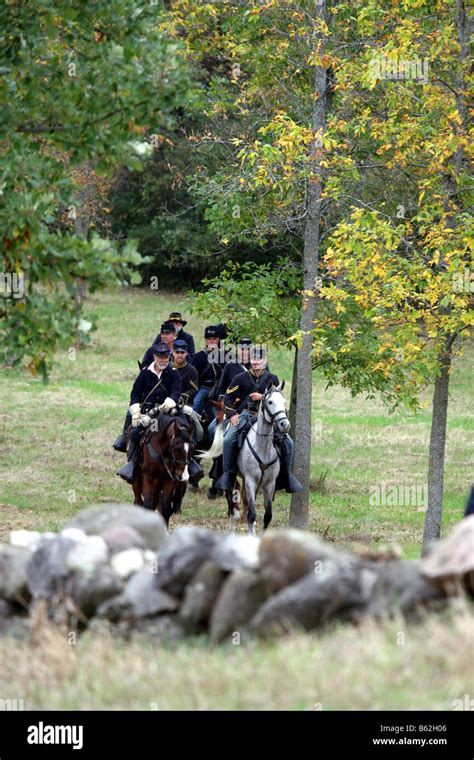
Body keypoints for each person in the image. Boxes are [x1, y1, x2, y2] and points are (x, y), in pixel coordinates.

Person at [213, 346, 302, 494]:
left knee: (288, 442)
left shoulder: (272, 378)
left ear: (264, 361)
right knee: (228, 439)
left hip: (267, 418)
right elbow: (228, 398)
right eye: (253, 359)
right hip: (246, 414)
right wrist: (232, 414)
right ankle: (228, 474)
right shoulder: (240, 378)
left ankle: (286, 475)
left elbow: (277, 397)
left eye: (259, 359)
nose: (255, 362)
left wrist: (262, 397)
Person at [116, 342, 181, 484]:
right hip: (146, 413)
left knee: (183, 432)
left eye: (166, 357)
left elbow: (176, 391)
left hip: (167, 412)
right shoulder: (144, 374)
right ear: (154, 357)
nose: (163, 360)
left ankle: (186, 465)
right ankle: (132, 464)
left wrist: (169, 402)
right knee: (134, 432)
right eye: (160, 357)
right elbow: (135, 395)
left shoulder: (173, 373)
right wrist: (136, 413)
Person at [191, 326, 225, 415]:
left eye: (214, 338)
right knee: (196, 404)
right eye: (209, 339)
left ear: (218, 339)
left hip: (221, 389)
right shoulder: (198, 356)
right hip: (204, 388)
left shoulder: (225, 355)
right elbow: (193, 376)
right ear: (206, 340)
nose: (212, 341)